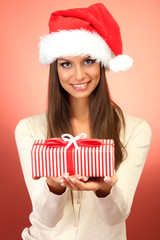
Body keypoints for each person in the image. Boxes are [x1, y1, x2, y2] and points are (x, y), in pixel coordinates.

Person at [15, 3, 152, 240]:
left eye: (88, 61)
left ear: (101, 63)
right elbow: (46, 219)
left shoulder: (135, 130)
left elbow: (116, 217)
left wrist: (105, 189)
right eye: (66, 64)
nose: (79, 75)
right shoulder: (29, 129)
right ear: (55, 69)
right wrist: (54, 186)